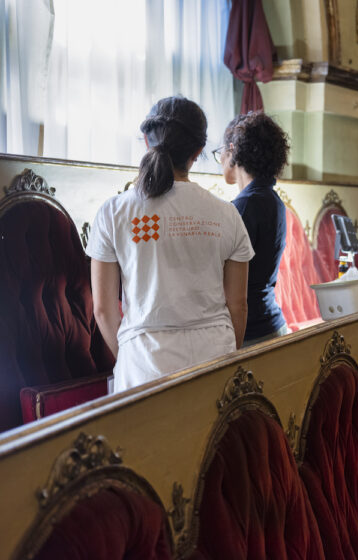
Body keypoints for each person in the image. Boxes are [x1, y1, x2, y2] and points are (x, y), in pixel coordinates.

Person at [87, 96, 254, 393]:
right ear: (199, 151)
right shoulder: (227, 214)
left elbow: (103, 309)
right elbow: (238, 306)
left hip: (144, 364)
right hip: (215, 357)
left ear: (147, 142)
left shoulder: (113, 212)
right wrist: (226, 353)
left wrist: (129, 354)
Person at [215, 112, 290, 345]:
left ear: (232, 151)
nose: (220, 161)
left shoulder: (245, 206)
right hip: (272, 323)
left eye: (219, 154)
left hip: (251, 332)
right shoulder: (271, 199)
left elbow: (221, 275)